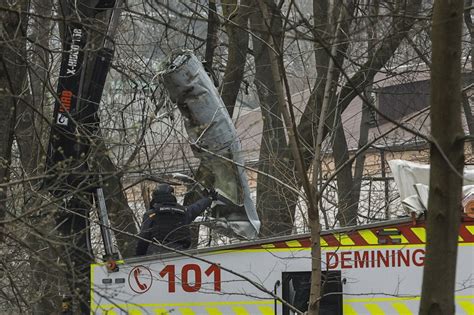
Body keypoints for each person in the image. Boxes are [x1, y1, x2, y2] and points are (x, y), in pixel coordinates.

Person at [135, 183, 218, 256]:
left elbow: (143, 238)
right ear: (171, 195)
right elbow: (197, 207)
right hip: (181, 254)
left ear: (155, 197)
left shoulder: (151, 214)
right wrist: (209, 199)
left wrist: (139, 257)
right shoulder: (183, 212)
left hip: (156, 256)